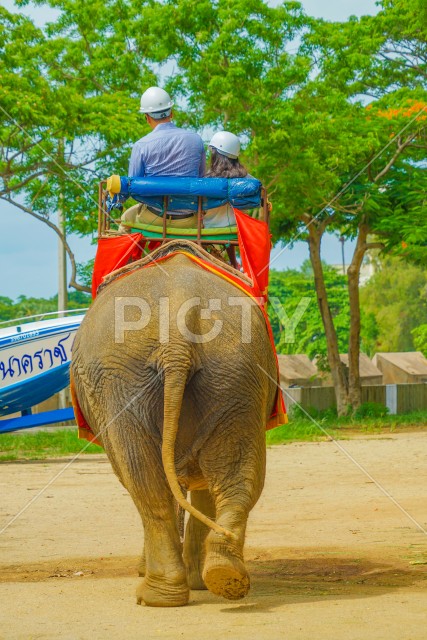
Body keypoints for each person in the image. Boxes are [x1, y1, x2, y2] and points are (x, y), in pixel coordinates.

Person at [119, 86, 205, 232]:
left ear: (147, 117)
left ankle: (130, 256)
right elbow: (202, 177)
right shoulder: (196, 140)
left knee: (125, 220)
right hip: (189, 220)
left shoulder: (141, 146)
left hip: (153, 219)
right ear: (172, 113)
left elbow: (133, 187)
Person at [203, 131, 248, 229]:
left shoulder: (206, 179)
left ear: (216, 154)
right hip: (239, 229)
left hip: (209, 228)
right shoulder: (247, 178)